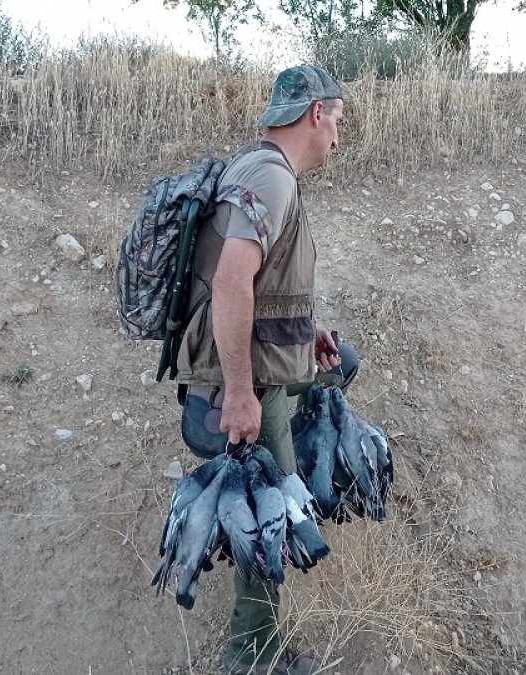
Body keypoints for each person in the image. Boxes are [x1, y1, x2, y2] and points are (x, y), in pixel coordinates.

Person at [173, 64, 358, 675]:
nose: (338, 136)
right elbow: (231, 283)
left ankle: (305, 471)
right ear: (316, 114)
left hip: (266, 363)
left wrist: (309, 332)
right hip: (248, 380)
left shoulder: (265, 171)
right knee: (264, 507)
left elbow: (265, 283)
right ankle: (251, 654)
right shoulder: (271, 178)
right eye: (338, 120)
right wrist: (239, 393)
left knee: (344, 364)